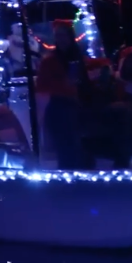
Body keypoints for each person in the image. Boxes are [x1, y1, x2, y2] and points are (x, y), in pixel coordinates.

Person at [36, 20, 87, 169]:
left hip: (78, 102)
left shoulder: (77, 58)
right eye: (58, 36)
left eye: (64, 35)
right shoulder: (50, 61)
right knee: (65, 122)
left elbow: (82, 82)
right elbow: (43, 86)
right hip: (60, 104)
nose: (61, 39)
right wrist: (65, 86)